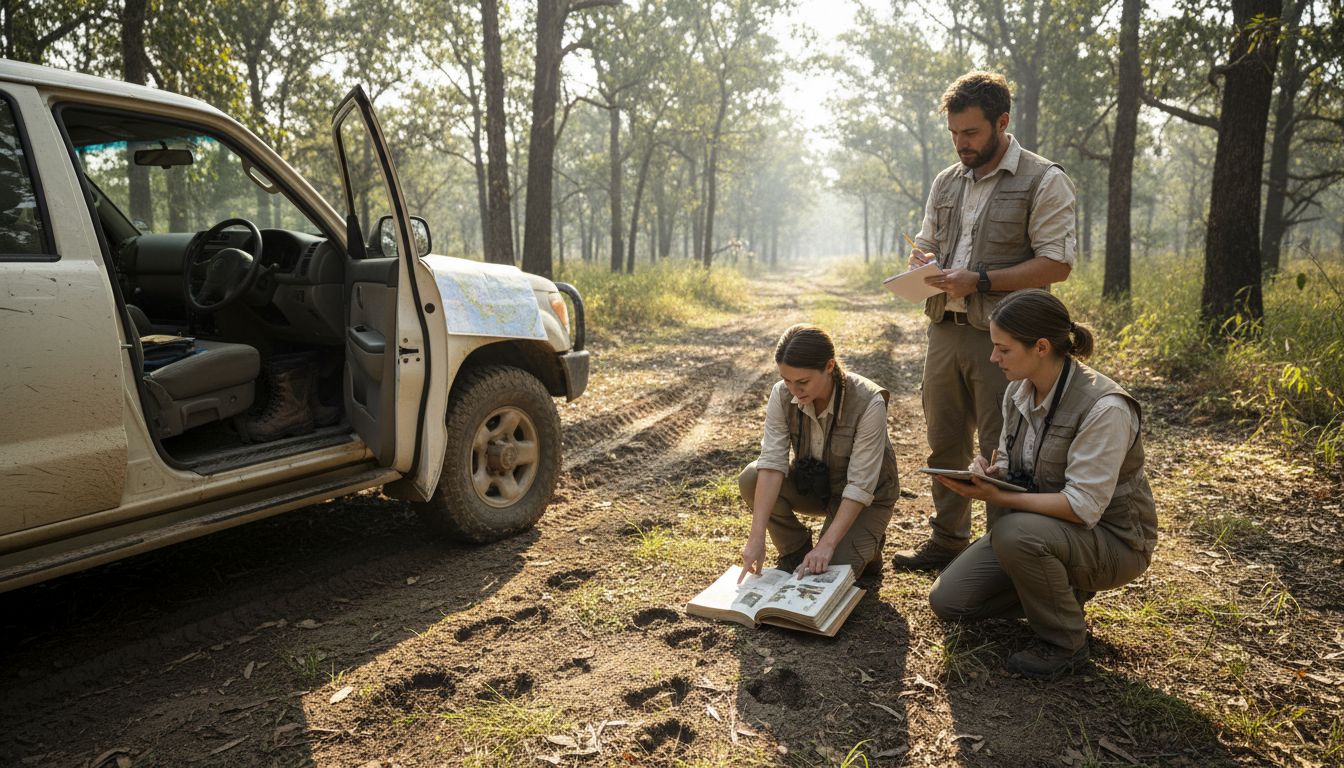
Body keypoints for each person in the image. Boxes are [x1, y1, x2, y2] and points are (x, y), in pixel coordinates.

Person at [891, 70, 1077, 572]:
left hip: (1007, 339)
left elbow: (1057, 264)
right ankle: (948, 540)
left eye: (970, 133)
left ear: (1002, 122)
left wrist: (982, 279)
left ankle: (1000, 556)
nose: (961, 145)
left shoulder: (1044, 180)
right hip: (944, 330)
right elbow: (929, 241)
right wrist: (921, 261)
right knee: (945, 438)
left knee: (1004, 445)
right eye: (953, 134)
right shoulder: (946, 181)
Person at [926, 289, 1157, 678]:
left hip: (1114, 540)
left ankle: (1065, 643)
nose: (992, 358)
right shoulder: (1018, 389)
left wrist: (998, 496)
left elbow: (1083, 506)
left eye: (1003, 349)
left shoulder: (1105, 408)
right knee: (949, 602)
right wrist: (989, 471)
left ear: (1042, 347)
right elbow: (1014, 460)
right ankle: (1059, 593)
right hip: (1045, 531)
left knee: (1016, 533)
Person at [738, 324, 899, 585]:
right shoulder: (781, 394)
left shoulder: (870, 401)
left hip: (863, 499)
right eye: (787, 380)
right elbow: (772, 463)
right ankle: (795, 549)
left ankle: (867, 544)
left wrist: (827, 545)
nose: (794, 390)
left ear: (830, 367)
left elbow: (860, 485)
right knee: (751, 477)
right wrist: (756, 537)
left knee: (826, 572)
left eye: (802, 382)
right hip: (816, 487)